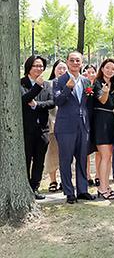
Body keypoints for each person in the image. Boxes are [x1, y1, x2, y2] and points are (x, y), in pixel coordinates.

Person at [53, 51, 95, 204]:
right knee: (66, 160)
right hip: (65, 127)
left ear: (81, 63)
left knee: (82, 159)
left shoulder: (85, 81)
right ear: (67, 62)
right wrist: (67, 88)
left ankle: (82, 190)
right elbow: (57, 101)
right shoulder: (59, 81)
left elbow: (87, 105)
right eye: (72, 60)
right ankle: (69, 192)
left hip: (83, 126)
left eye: (78, 60)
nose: (75, 63)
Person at [20, 55, 55, 200]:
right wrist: (37, 87)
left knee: (39, 161)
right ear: (29, 67)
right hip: (27, 129)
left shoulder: (46, 84)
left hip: (43, 129)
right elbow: (24, 99)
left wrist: (38, 105)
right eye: (36, 66)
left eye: (41, 66)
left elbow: (52, 102)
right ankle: (25, 187)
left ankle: (35, 187)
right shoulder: (21, 83)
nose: (39, 69)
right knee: (27, 159)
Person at [92, 59, 114, 200]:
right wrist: (104, 92)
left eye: (113, 69)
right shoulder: (97, 83)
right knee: (105, 155)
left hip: (110, 120)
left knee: (108, 156)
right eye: (107, 67)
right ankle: (102, 188)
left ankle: (106, 184)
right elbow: (102, 101)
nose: (110, 70)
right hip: (100, 120)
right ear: (102, 68)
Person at [45, 59, 68, 193]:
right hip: (52, 122)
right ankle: (53, 180)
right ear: (54, 69)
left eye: (64, 68)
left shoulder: (71, 83)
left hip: (67, 124)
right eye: (59, 68)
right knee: (51, 153)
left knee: (66, 154)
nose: (61, 71)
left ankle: (65, 180)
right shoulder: (48, 84)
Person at [83, 64, 98, 187]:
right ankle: (87, 175)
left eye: (93, 72)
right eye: (88, 72)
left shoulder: (99, 86)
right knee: (86, 150)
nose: (91, 74)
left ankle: (98, 175)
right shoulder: (83, 86)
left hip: (97, 119)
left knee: (99, 150)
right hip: (86, 119)